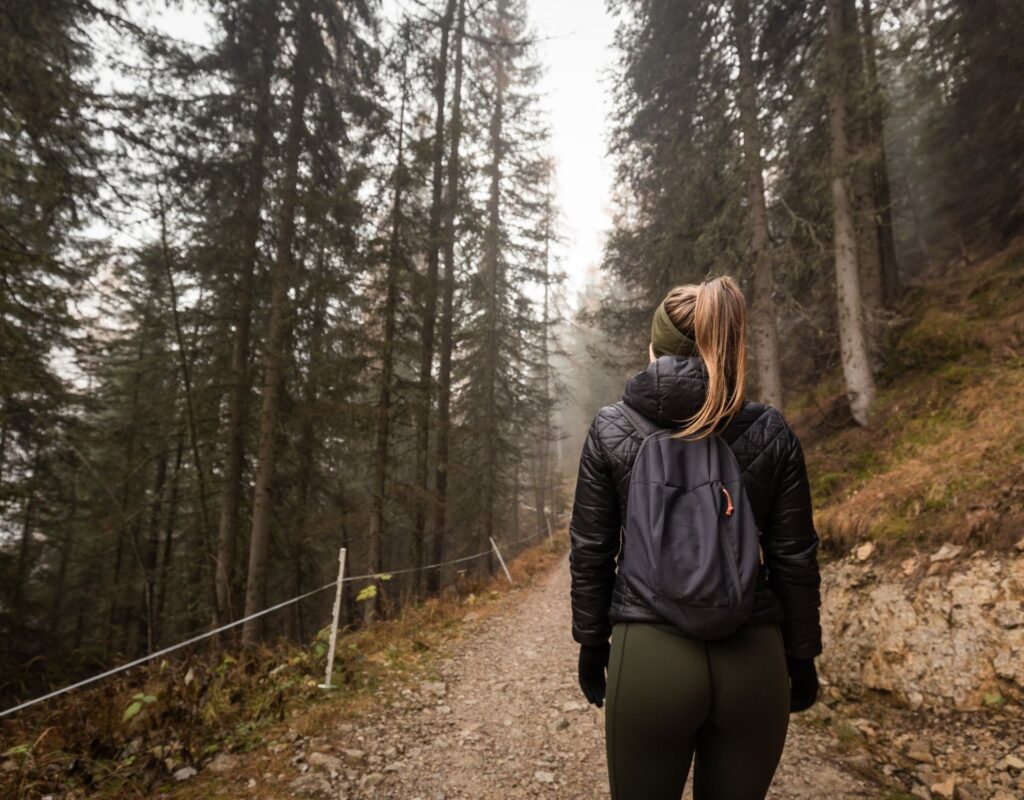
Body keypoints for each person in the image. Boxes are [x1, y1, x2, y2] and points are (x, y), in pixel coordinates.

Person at [568, 276, 822, 800]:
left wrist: (592, 644)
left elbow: (592, 551)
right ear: (724, 348)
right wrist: (801, 655)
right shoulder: (770, 431)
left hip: (649, 654)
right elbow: (794, 556)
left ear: (655, 349)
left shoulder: (611, 428)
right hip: (753, 656)